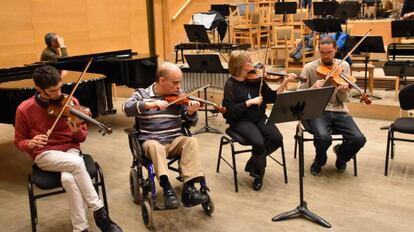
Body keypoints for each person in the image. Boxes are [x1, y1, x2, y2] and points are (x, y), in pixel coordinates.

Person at [14, 65, 122, 232]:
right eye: (52, 91)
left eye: (60, 88)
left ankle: (80, 228)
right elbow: (19, 141)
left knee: (69, 180)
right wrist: (31, 142)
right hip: (45, 153)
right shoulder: (24, 109)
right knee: (78, 164)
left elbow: (81, 138)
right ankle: (100, 213)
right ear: (38, 88)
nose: (59, 94)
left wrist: (77, 131)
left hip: (70, 150)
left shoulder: (71, 102)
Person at [123, 62, 209, 209]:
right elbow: (126, 108)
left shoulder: (178, 97)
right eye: (175, 83)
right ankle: (167, 189)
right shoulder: (141, 94)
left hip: (174, 140)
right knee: (154, 146)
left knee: (191, 141)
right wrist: (148, 105)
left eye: (179, 82)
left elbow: (191, 123)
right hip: (151, 142)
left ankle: (188, 189)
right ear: (162, 81)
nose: (179, 87)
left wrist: (191, 113)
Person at [222, 50, 297, 191]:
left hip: (259, 118)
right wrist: (248, 103)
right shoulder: (230, 84)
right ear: (240, 64)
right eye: (249, 61)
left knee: (276, 138)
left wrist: (285, 81)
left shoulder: (257, 80)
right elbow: (229, 111)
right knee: (259, 143)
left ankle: (253, 162)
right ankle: (258, 175)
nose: (253, 64)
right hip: (240, 121)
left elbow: (272, 97)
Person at [297, 36, 366, 176]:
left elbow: (343, 99)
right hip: (317, 110)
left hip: (339, 110)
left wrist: (343, 90)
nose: (326, 56)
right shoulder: (309, 68)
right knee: (323, 137)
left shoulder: (344, 66)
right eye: (322, 52)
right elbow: (300, 96)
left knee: (359, 139)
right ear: (318, 51)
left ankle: (341, 155)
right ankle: (319, 160)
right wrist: (313, 89)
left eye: (329, 52)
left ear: (336, 50)